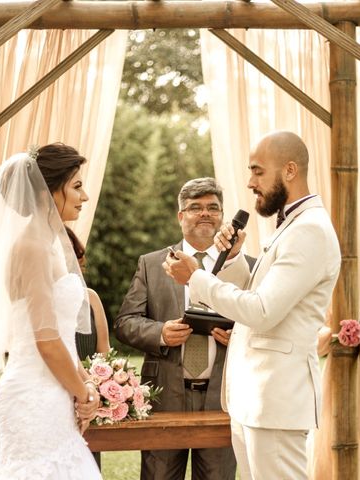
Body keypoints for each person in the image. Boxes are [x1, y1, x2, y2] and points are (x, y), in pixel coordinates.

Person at [164, 131, 342, 479]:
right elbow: (256, 295)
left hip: (276, 398)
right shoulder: (290, 225)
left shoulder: (309, 230)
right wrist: (231, 260)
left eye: (258, 171)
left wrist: (196, 277)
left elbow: (262, 311)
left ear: (290, 170)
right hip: (256, 398)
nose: (250, 182)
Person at [0, 143, 102, 479]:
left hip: (56, 392)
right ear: (48, 190)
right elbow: (46, 340)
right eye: (76, 186)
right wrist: (84, 393)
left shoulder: (48, 245)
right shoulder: (31, 246)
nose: (85, 196)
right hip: (34, 395)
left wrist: (85, 382)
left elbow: (62, 333)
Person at [115, 177, 247, 480]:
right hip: (164, 397)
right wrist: (160, 333)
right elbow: (125, 322)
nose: (205, 214)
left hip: (223, 397)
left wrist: (238, 337)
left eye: (213, 208)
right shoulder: (151, 264)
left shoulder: (244, 265)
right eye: (195, 207)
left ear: (223, 216)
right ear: (180, 216)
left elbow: (260, 319)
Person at [66, 226, 111, 360]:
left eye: (69, 249)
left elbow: (104, 350)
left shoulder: (91, 297)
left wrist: (97, 377)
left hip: (91, 378)